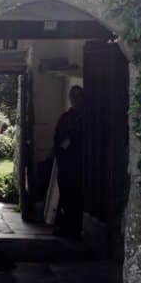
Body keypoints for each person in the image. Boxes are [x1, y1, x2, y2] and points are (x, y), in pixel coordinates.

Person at [53, 86, 85, 238]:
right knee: (67, 196)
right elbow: (58, 141)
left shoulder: (86, 118)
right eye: (74, 97)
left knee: (78, 198)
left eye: (79, 97)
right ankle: (66, 227)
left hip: (81, 166)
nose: (76, 100)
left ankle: (74, 229)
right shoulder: (66, 118)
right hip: (67, 165)